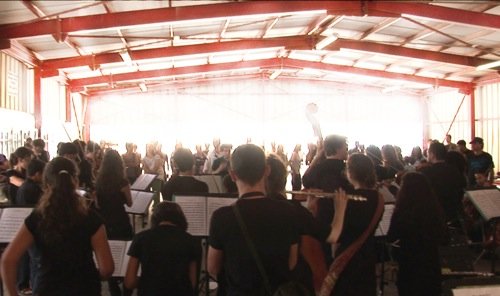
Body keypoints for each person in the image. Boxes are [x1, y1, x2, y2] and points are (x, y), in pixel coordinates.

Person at [0, 157, 114, 296]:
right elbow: (107, 268)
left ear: (46, 185)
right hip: (85, 288)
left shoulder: (37, 218)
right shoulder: (91, 218)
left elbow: (8, 260)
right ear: (76, 182)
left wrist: (12, 293)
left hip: (46, 288)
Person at [208, 144, 300, 295]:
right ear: (267, 171)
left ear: (232, 175)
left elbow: (213, 268)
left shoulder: (222, 217)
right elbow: (292, 262)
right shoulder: (288, 211)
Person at [324, 153, 383, 296]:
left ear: (349, 173)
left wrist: (338, 209)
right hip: (367, 258)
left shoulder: (347, 198)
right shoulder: (378, 197)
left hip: (347, 261)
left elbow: (333, 236)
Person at [266, 154, 327, 293]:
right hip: (290, 285)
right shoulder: (295, 211)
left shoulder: (252, 211)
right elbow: (317, 267)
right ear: (284, 178)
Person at [387, 172, 447, 296]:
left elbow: (392, 236)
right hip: (431, 261)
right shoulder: (434, 209)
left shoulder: (402, 211)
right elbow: (445, 237)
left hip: (409, 261)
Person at [124, 201, 201, 296]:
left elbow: (129, 282)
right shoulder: (191, 241)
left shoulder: (141, 238)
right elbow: (192, 282)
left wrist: (148, 281)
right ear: (181, 219)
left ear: (155, 218)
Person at [302, 134, 352, 264]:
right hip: (345, 215)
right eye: (345, 147)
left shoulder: (318, 168)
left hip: (323, 214)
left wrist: (318, 156)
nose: (347, 150)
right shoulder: (346, 169)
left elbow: (306, 181)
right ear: (338, 149)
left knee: (325, 256)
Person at [95, 149, 134, 296]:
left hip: (105, 222)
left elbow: (98, 205)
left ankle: (113, 288)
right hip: (120, 220)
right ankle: (127, 290)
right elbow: (130, 203)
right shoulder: (122, 182)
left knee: (110, 252)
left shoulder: (98, 182)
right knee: (126, 253)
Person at [419, 142, 466, 225]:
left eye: (428, 153)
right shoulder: (455, 171)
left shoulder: (426, 172)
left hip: (433, 215)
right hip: (453, 213)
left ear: (432, 154)